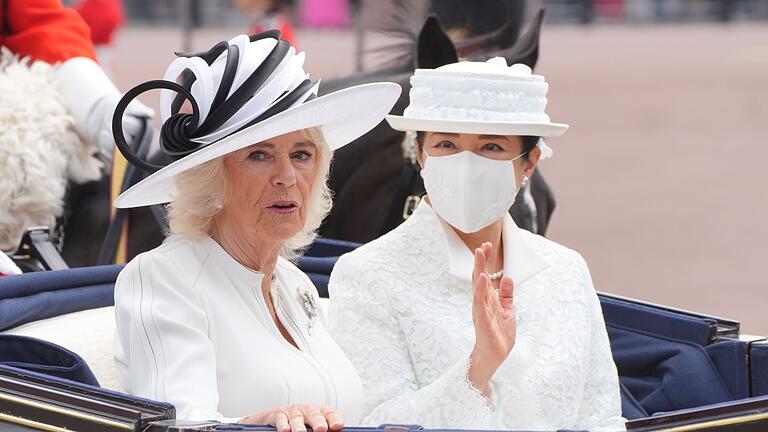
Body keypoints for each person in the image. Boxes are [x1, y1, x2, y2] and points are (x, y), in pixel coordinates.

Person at [111, 32, 400, 428]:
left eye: (301, 154)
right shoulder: (162, 279)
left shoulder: (295, 284)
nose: (286, 177)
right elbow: (177, 422)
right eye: (259, 155)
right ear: (212, 179)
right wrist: (257, 424)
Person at [327, 58, 626, 431]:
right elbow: (375, 422)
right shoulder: (367, 275)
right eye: (446, 144)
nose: (466, 166)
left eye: (491, 147)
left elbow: (603, 418)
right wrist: (477, 368)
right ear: (420, 153)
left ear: (530, 162)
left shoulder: (567, 270)